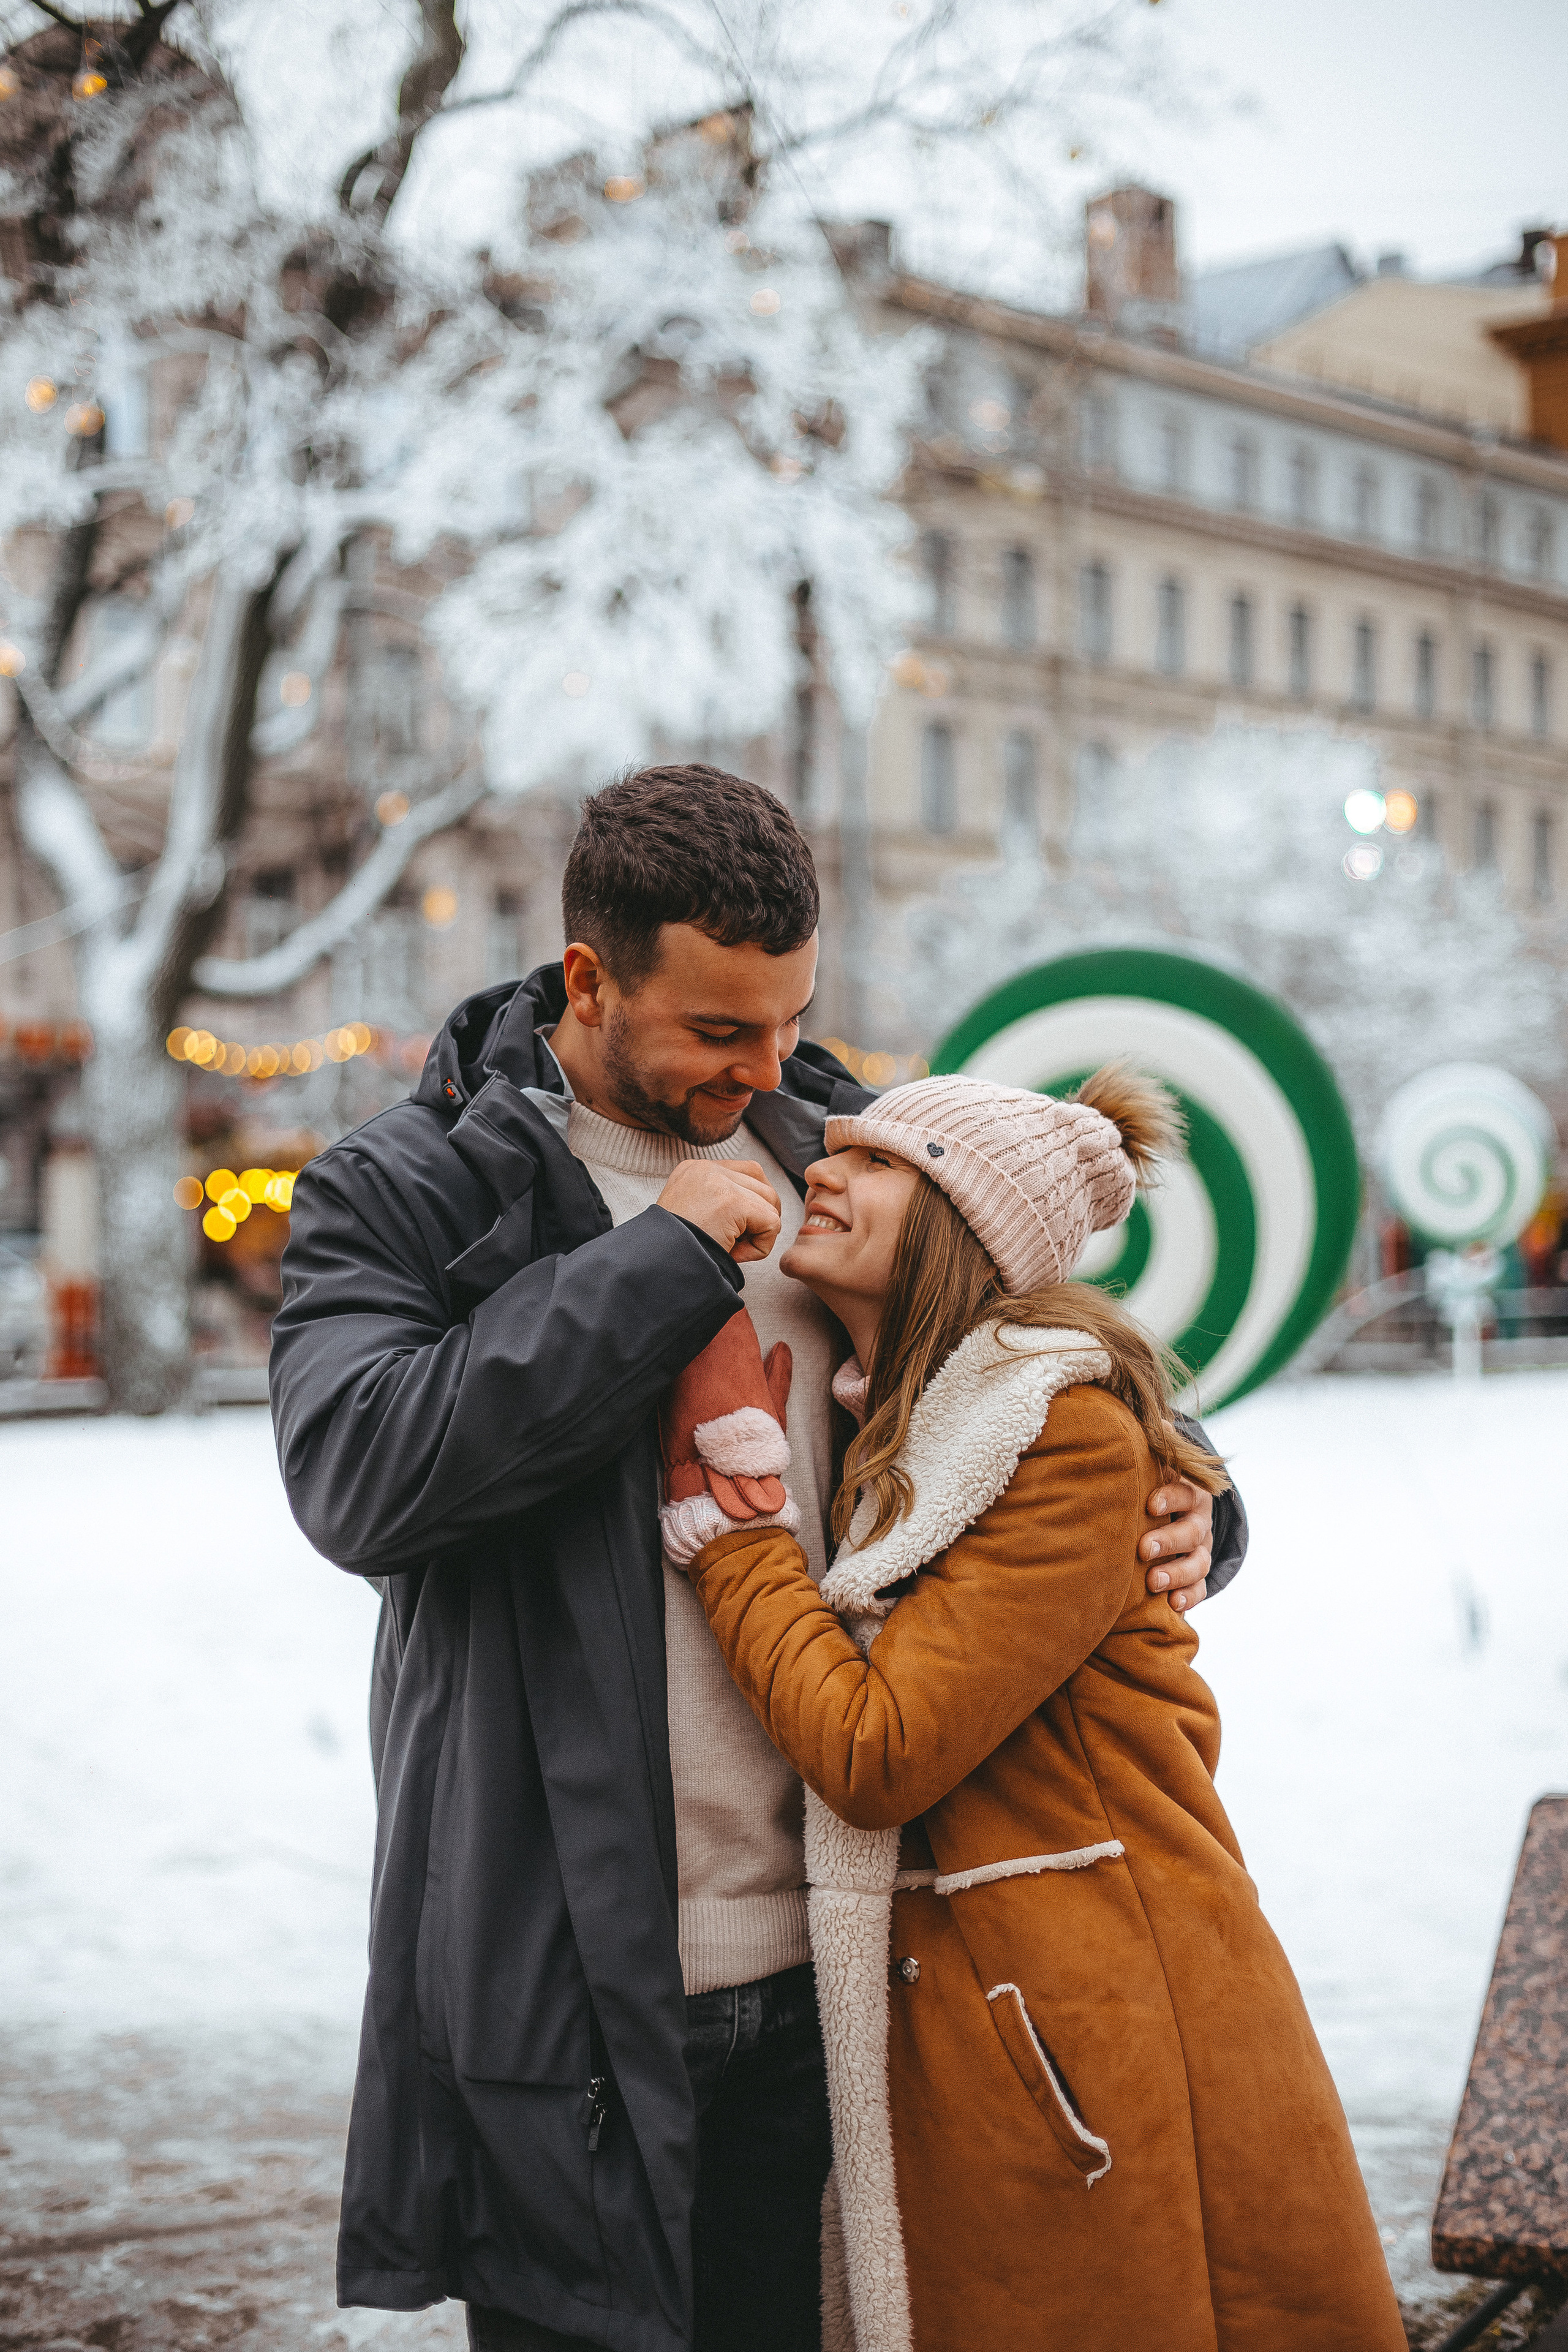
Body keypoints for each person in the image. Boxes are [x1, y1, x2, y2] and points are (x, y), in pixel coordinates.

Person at [270, 765, 1243, 2352]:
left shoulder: (853, 1155)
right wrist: (656, 1267)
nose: (768, 1066)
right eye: (722, 1031)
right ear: (589, 979)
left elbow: (1055, 1381)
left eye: (790, 1019)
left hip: (857, 1972)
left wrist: (1196, 1503)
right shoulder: (409, 1184)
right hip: (563, 1992)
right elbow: (359, 1473)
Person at [658, 1066, 1405, 2352]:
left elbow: (875, 1749)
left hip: (1098, 2021)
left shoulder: (1048, 1425)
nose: (819, 1174)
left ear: (963, 1225)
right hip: (1015, 2013)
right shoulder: (913, 1421)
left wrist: (732, 1524)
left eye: (878, 1163)